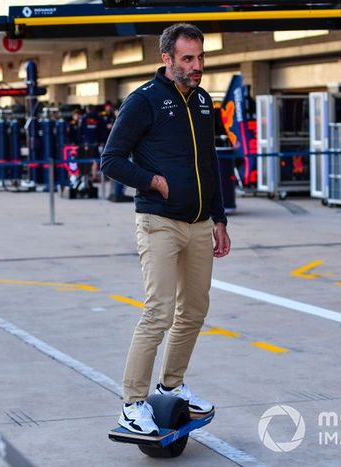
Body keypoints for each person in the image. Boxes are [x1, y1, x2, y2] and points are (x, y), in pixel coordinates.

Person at [101, 23, 231, 435]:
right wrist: (154, 182)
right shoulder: (144, 101)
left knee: (194, 311)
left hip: (199, 224)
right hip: (158, 222)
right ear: (167, 60)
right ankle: (132, 404)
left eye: (200, 58)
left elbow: (209, 162)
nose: (197, 67)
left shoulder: (205, 101)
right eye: (188, 59)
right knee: (159, 312)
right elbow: (112, 160)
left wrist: (220, 218)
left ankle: (171, 387)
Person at [103, 101, 133, 202]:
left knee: (121, 171)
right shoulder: (114, 118)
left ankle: (118, 192)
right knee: (115, 171)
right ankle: (116, 192)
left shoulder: (124, 118)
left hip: (123, 149)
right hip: (114, 149)